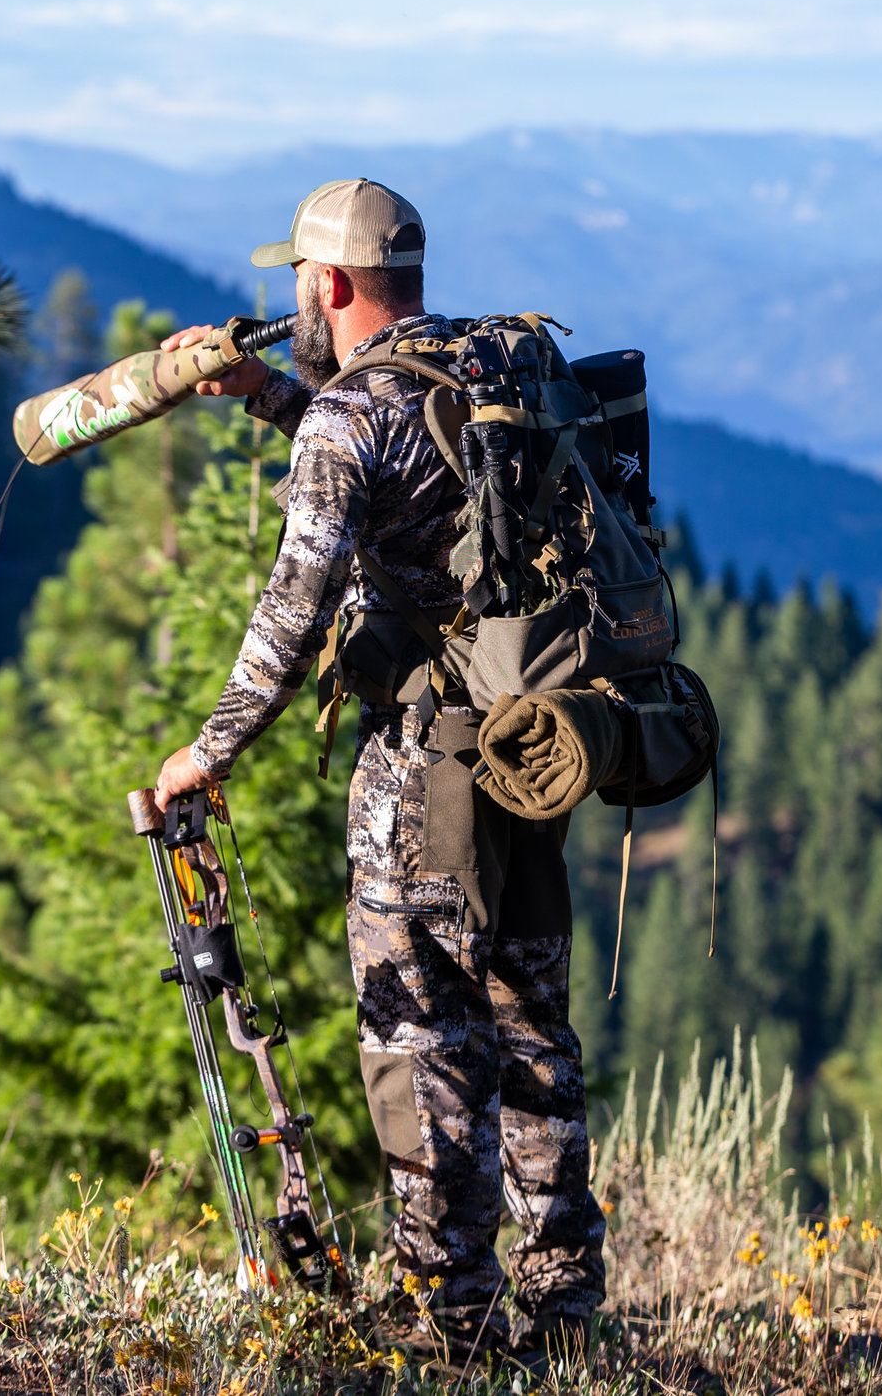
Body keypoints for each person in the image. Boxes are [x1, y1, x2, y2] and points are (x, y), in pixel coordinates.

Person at [152, 178, 605, 1360]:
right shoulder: (477, 370)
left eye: (295, 283)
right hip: (529, 752)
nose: (292, 302)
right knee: (529, 1028)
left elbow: (294, 607)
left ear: (327, 284)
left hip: (420, 777)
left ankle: (450, 1323)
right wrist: (269, 399)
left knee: (423, 1039)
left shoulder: (356, 417)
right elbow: (405, 485)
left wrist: (208, 750)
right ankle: (564, 1313)